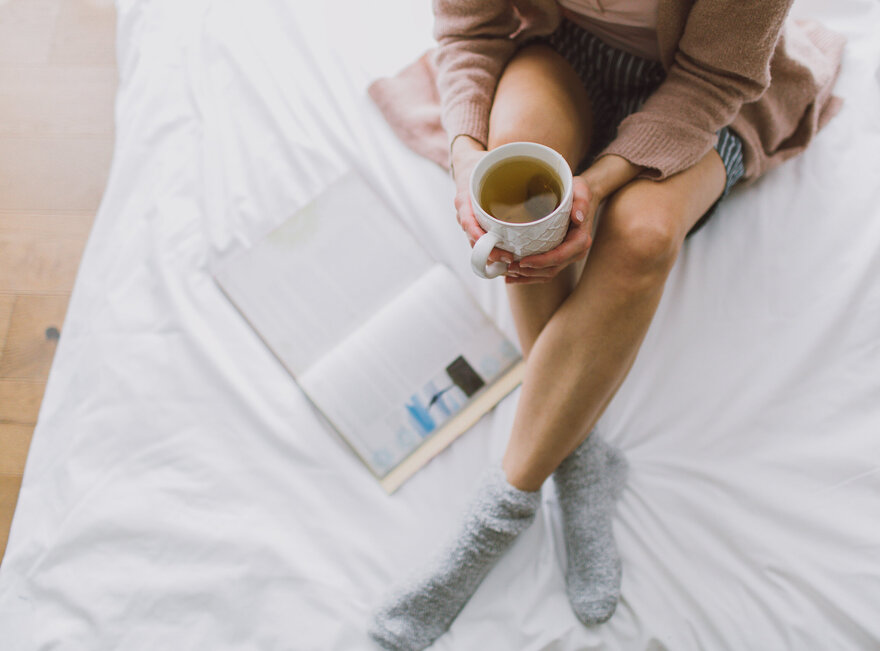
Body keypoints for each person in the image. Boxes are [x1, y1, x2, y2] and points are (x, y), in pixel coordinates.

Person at [368, 1, 844, 649]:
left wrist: (597, 183)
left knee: (642, 232)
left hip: (702, 95)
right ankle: (580, 456)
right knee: (515, 174)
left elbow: (716, 81)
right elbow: (469, 27)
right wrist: (463, 156)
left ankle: (499, 514)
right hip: (562, 53)